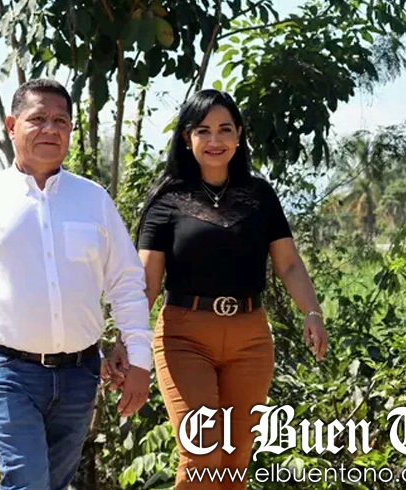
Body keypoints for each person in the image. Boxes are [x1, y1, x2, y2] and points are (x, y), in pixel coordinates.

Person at [0, 78, 152, 490]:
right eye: (38, 119)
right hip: (7, 370)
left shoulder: (93, 199)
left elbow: (126, 282)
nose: (51, 129)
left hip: (80, 374)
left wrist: (139, 359)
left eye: (61, 121)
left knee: (53, 483)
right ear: (12, 126)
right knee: (27, 481)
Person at [135, 89, 329, 490]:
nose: (215, 140)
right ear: (186, 137)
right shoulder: (166, 201)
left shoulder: (260, 197)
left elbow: (289, 264)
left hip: (250, 340)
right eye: (203, 131)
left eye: (225, 129)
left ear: (239, 135)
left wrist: (312, 312)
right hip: (184, 338)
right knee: (202, 453)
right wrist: (127, 342)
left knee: (234, 461)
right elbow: (147, 282)